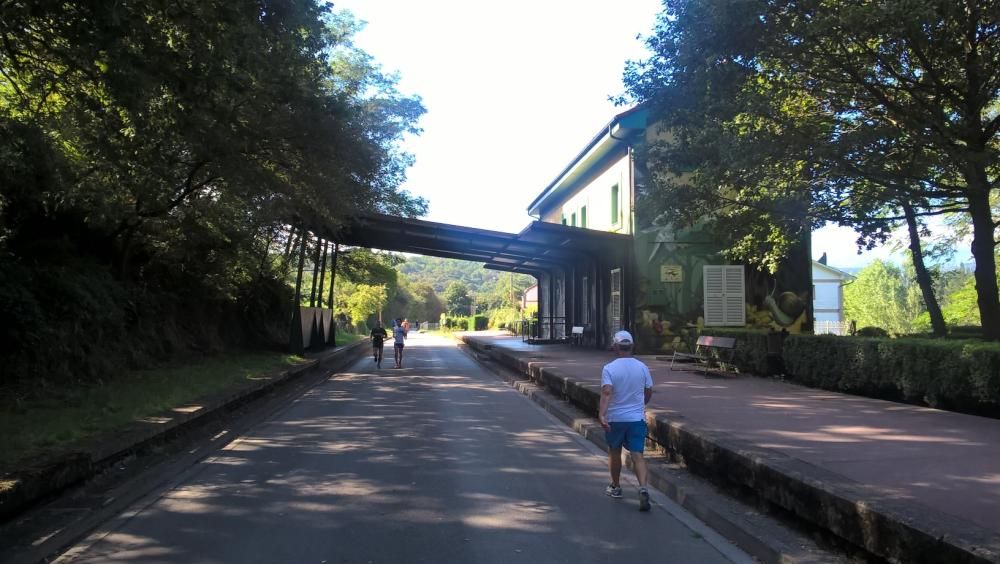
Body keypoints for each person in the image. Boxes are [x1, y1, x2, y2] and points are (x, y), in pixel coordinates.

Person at [598, 330, 654, 511]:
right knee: (637, 454)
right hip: (636, 418)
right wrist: (641, 404)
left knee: (615, 452)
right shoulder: (642, 367)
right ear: (631, 346)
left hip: (616, 418)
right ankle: (643, 488)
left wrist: (601, 414)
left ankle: (616, 487)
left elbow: (607, 392)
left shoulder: (609, 368)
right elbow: (648, 391)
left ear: (615, 347)